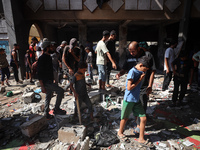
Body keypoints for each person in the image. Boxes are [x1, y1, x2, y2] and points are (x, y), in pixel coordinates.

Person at [116, 41, 156, 133]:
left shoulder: (147, 55)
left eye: (133, 51)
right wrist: (119, 74)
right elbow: (125, 68)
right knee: (131, 107)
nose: (131, 53)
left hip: (143, 86)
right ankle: (132, 123)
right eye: (130, 51)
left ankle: (138, 125)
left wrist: (150, 85)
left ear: (139, 49)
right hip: (133, 89)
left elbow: (152, 71)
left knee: (142, 106)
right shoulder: (130, 57)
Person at [118, 56, 153, 148]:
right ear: (141, 65)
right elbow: (129, 87)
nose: (145, 71)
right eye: (145, 69)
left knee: (143, 118)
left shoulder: (140, 71)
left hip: (136, 99)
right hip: (129, 99)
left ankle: (141, 138)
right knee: (124, 118)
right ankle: (120, 132)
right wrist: (139, 80)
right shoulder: (132, 72)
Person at [37, 38, 66, 119]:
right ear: (47, 48)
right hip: (46, 82)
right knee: (60, 91)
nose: (53, 48)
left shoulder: (49, 57)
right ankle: (56, 109)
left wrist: (53, 79)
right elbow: (39, 73)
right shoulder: (42, 58)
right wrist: (42, 86)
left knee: (48, 96)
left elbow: (49, 70)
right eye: (51, 47)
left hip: (49, 80)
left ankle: (46, 114)